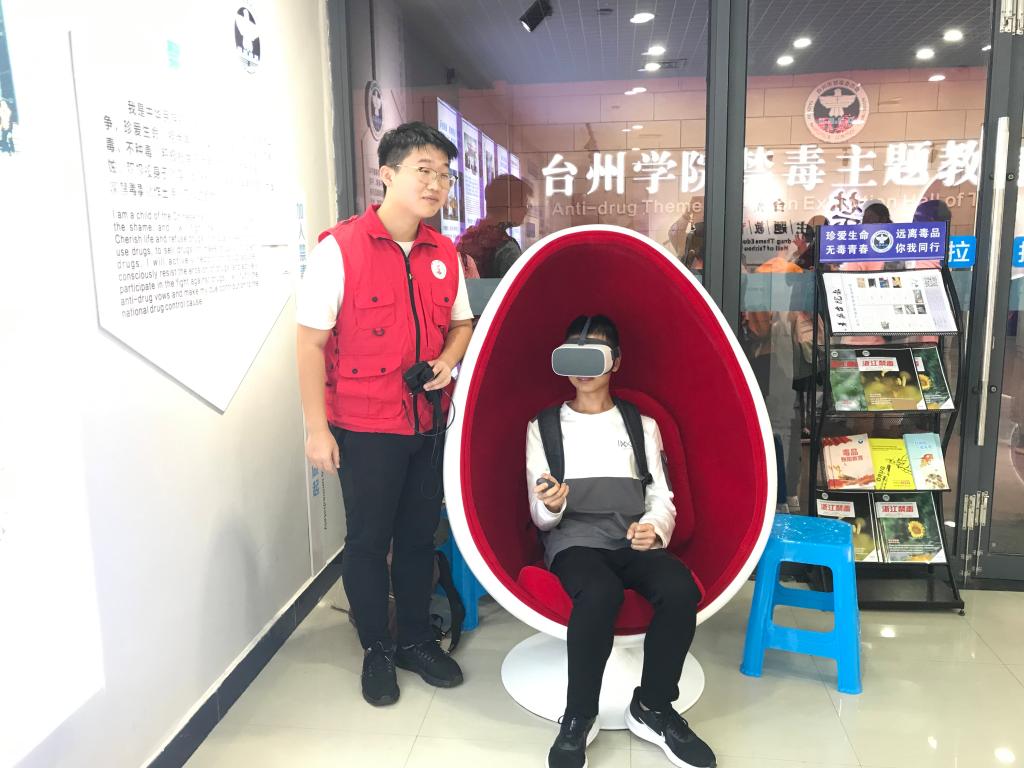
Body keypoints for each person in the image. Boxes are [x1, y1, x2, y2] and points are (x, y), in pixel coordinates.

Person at [295, 122, 474, 707]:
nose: (436, 183)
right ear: (388, 174)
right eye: (424, 170)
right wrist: (316, 429)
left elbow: (461, 324)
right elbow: (309, 343)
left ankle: (416, 639)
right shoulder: (339, 250)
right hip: (365, 427)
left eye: (445, 175)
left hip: (428, 423)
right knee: (369, 541)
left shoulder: (444, 253)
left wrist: (447, 361)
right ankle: (376, 646)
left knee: (419, 537)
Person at [526, 315, 715, 768]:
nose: (583, 367)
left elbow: (661, 496)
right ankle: (579, 714)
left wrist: (655, 527)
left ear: (615, 362)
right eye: (573, 354)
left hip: (633, 539)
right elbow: (541, 517)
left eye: (594, 355)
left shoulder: (641, 425)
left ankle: (653, 706)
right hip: (575, 542)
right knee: (599, 593)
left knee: (679, 588)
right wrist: (552, 506)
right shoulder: (544, 427)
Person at [456, 174, 533, 278]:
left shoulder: (466, 237)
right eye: (524, 203)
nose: (526, 210)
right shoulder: (507, 249)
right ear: (509, 205)